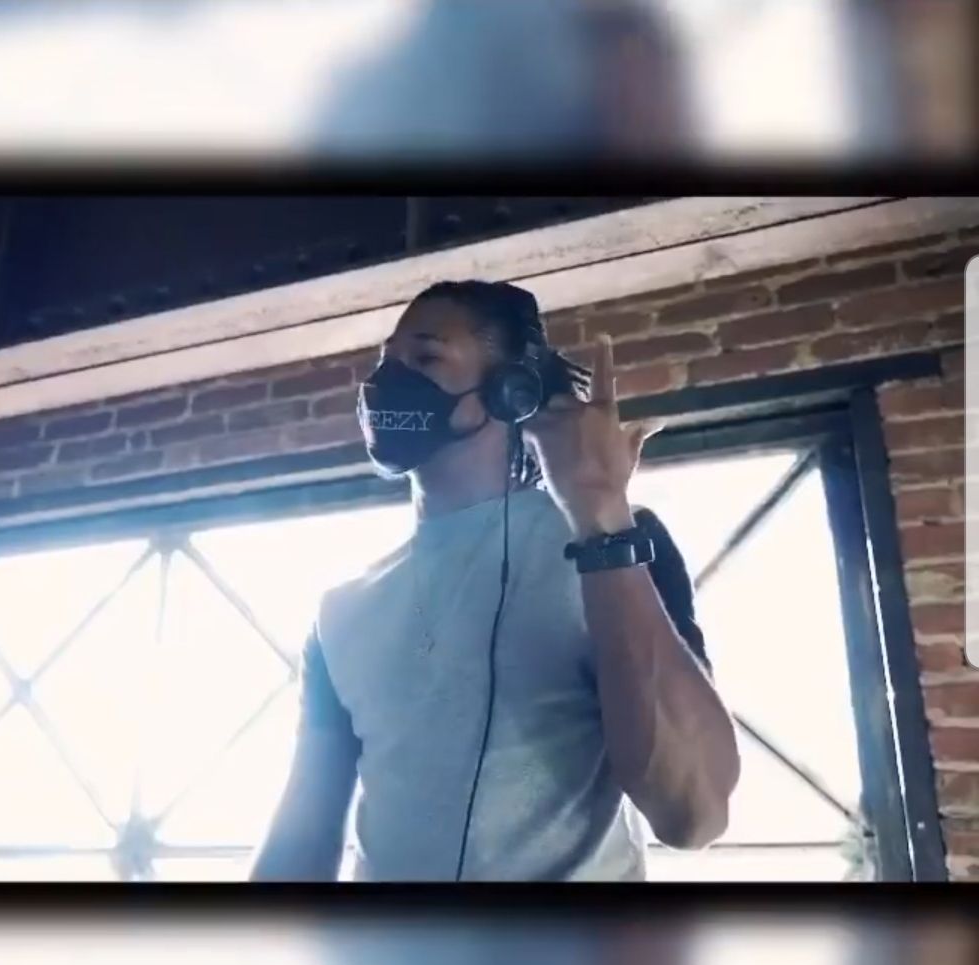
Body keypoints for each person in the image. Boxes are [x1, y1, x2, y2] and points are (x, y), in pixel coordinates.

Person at [251, 279, 739, 882]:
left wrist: (599, 512)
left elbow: (693, 814)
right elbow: (303, 837)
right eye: (385, 362)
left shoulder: (617, 539)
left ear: (510, 391)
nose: (385, 383)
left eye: (425, 357)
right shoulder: (340, 612)